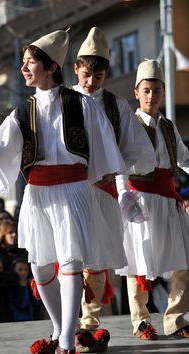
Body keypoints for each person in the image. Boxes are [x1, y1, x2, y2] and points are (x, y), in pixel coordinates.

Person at [0, 29, 127, 354]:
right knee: (40, 266)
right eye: (23, 62)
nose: (23, 68)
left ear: (50, 67)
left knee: (71, 260)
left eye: (30, 62)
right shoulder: (23, 110)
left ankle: (66, 343)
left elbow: (105, 150)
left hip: (73, 190)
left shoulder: (82, 105)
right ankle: (61, 328)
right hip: (37, 193)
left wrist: (115, 188)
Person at [72, 27, 156, 352]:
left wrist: (115, 169)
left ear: (105, 72)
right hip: (70, 188)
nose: (91, 81)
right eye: (86, 74)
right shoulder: (63, 99)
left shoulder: (116, 105)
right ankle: (66, 326)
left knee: (96, 258)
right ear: (76, 69)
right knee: (70, 256)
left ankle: (88, 326)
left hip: (103, 190)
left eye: (98, 75)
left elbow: (137, 150)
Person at [115, 59, 189, 340]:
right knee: (137, 263)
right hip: (140, 201)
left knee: (184, 260)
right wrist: (124, 197)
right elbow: (120, 164)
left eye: (156, 90)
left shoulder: (169, 126)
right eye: (146, 90)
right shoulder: (129, 125)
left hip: (168, 201)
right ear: (136, 92)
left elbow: (184, 158)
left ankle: (176, 318)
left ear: (163, 93)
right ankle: (141, 321)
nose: (151, 96)